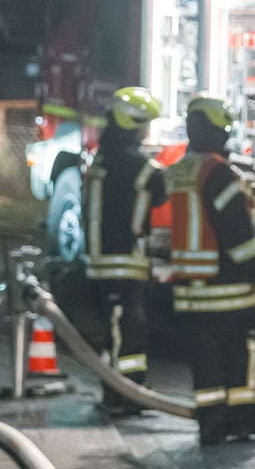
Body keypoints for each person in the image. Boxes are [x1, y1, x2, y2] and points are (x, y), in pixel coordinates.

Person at [165, 93, 255, 445]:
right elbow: (237, 233)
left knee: (206, 358)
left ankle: (212, 423)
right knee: (248, 350)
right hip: (231, 286)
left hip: (191, 287)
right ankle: (247, 419)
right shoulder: (219, 174)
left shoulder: (182, 170)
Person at [83, 86, 166, 417]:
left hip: (104, 259)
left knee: (115, 332)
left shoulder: (105, 157)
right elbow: (161, 189)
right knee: (127, 331)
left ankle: (116, 392)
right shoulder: (135, 164)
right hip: (122, 260)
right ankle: (127, 394)